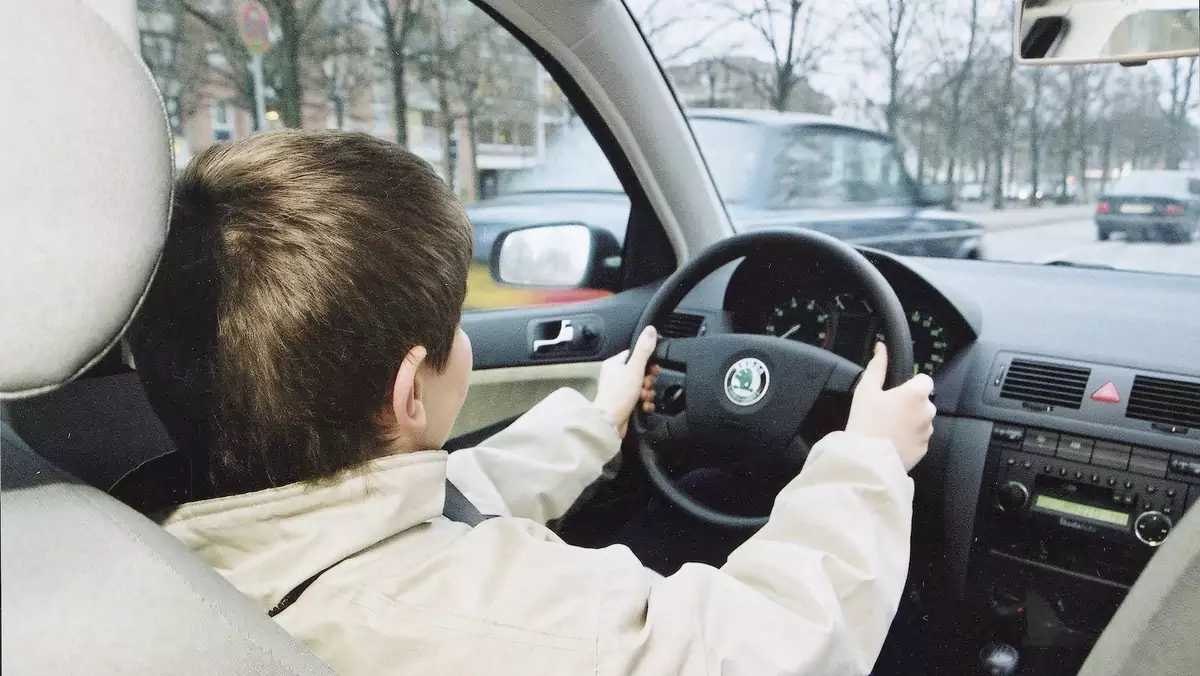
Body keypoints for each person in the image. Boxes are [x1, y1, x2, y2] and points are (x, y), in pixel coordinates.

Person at [128, 129, 936, 676]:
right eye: (458, 324)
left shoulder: (162, 550)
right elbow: (778, 644)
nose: (467, 337)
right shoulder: (515, 622)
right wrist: (866, 461)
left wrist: (597, 417)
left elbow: (430, 508)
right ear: (412, 392)